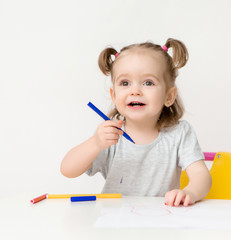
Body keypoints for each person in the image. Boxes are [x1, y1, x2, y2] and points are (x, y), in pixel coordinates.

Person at [61, 38, 212, 206]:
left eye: (148, 82)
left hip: (160, 220)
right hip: (114, 221)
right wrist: (95, 142)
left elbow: (201, 176)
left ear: (169, 96)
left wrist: (189, 192)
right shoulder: (109, 134)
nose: (135, 91)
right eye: (125, 83)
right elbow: (67, 169)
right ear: (114, 95)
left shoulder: (180, 133)